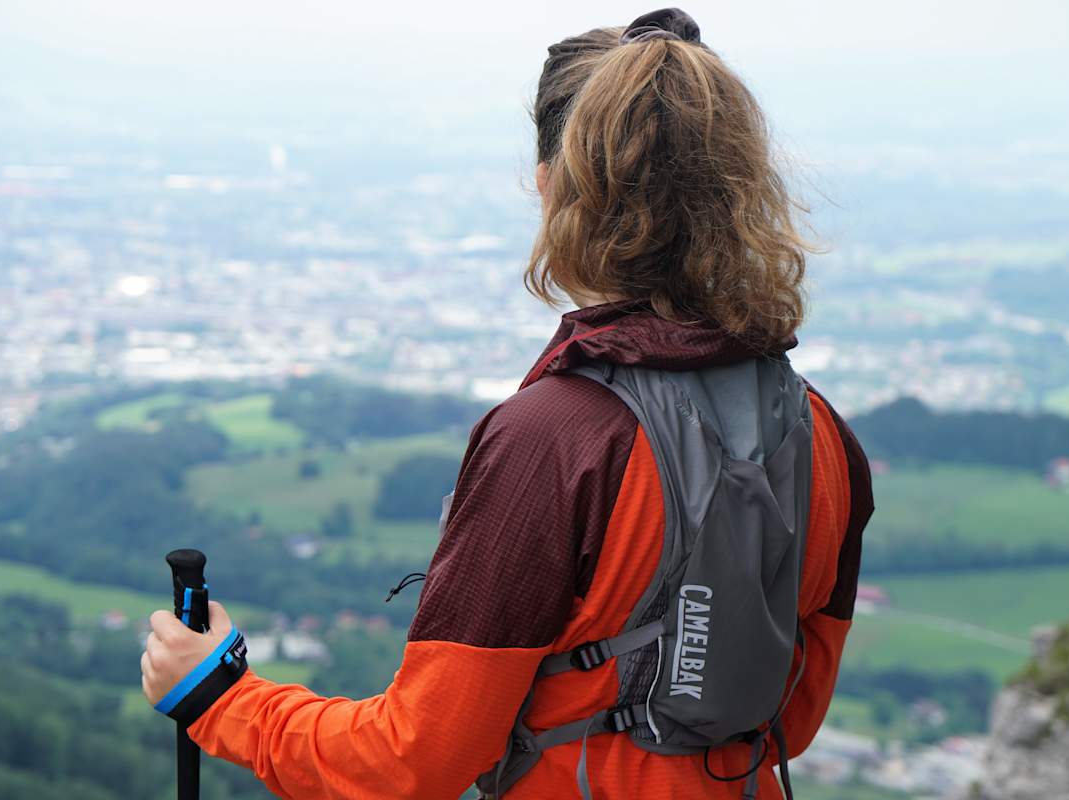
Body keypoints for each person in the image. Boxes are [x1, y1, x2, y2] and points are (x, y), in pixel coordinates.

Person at [141, 8, 873, 799]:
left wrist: (221, 698)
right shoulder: (821, 435)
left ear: (556, 184)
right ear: (737, 184)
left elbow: (416, 760)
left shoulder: (553, 441)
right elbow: (791, 717)